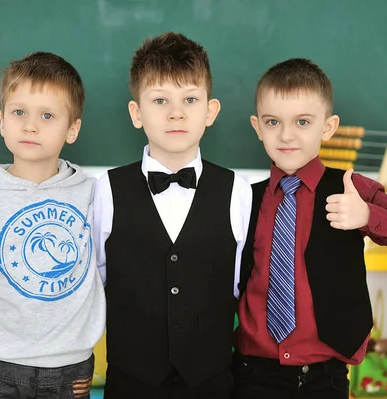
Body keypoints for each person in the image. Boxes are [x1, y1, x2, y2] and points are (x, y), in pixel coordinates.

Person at [233, 58, 387, 399]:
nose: (286, 135)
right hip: (252, 373)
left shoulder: (352, 190)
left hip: (323, 377)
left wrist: (369, 216)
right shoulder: (242, 198)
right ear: (257, 127)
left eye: (303, 121)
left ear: (327, 128)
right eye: (273, 122)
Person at [0, 51, 105, 398]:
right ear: (2, 121)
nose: (30, 125)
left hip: (70, 370)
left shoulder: (93, 195)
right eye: (19, 112)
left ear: (72, 128)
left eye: (47, 115)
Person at [93, 32, 252, 399]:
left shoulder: (238, 191)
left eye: (190, 99)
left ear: (210, 111)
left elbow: (241, 287)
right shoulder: (106, 189)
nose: (176, 112)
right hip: (131, 383)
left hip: (212, 383)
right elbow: (95, 281)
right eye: (160, 100)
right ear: (136, 113)